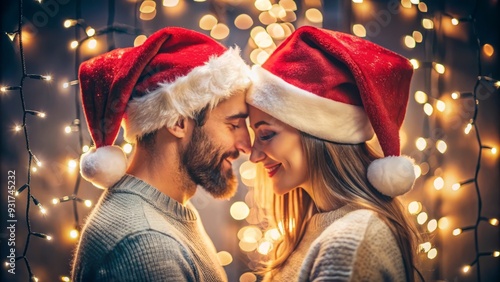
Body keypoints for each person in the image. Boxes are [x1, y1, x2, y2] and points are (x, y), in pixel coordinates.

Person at [71, 27, 251, 281]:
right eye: (233, 125)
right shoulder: (144, 242)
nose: (246, 146)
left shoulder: (167, 213)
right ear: (177, 122)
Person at [246, 26, 421, 281]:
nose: (254, 156)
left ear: (318, 133)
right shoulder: (315, 228)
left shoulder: (350, 243)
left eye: (266, 135)